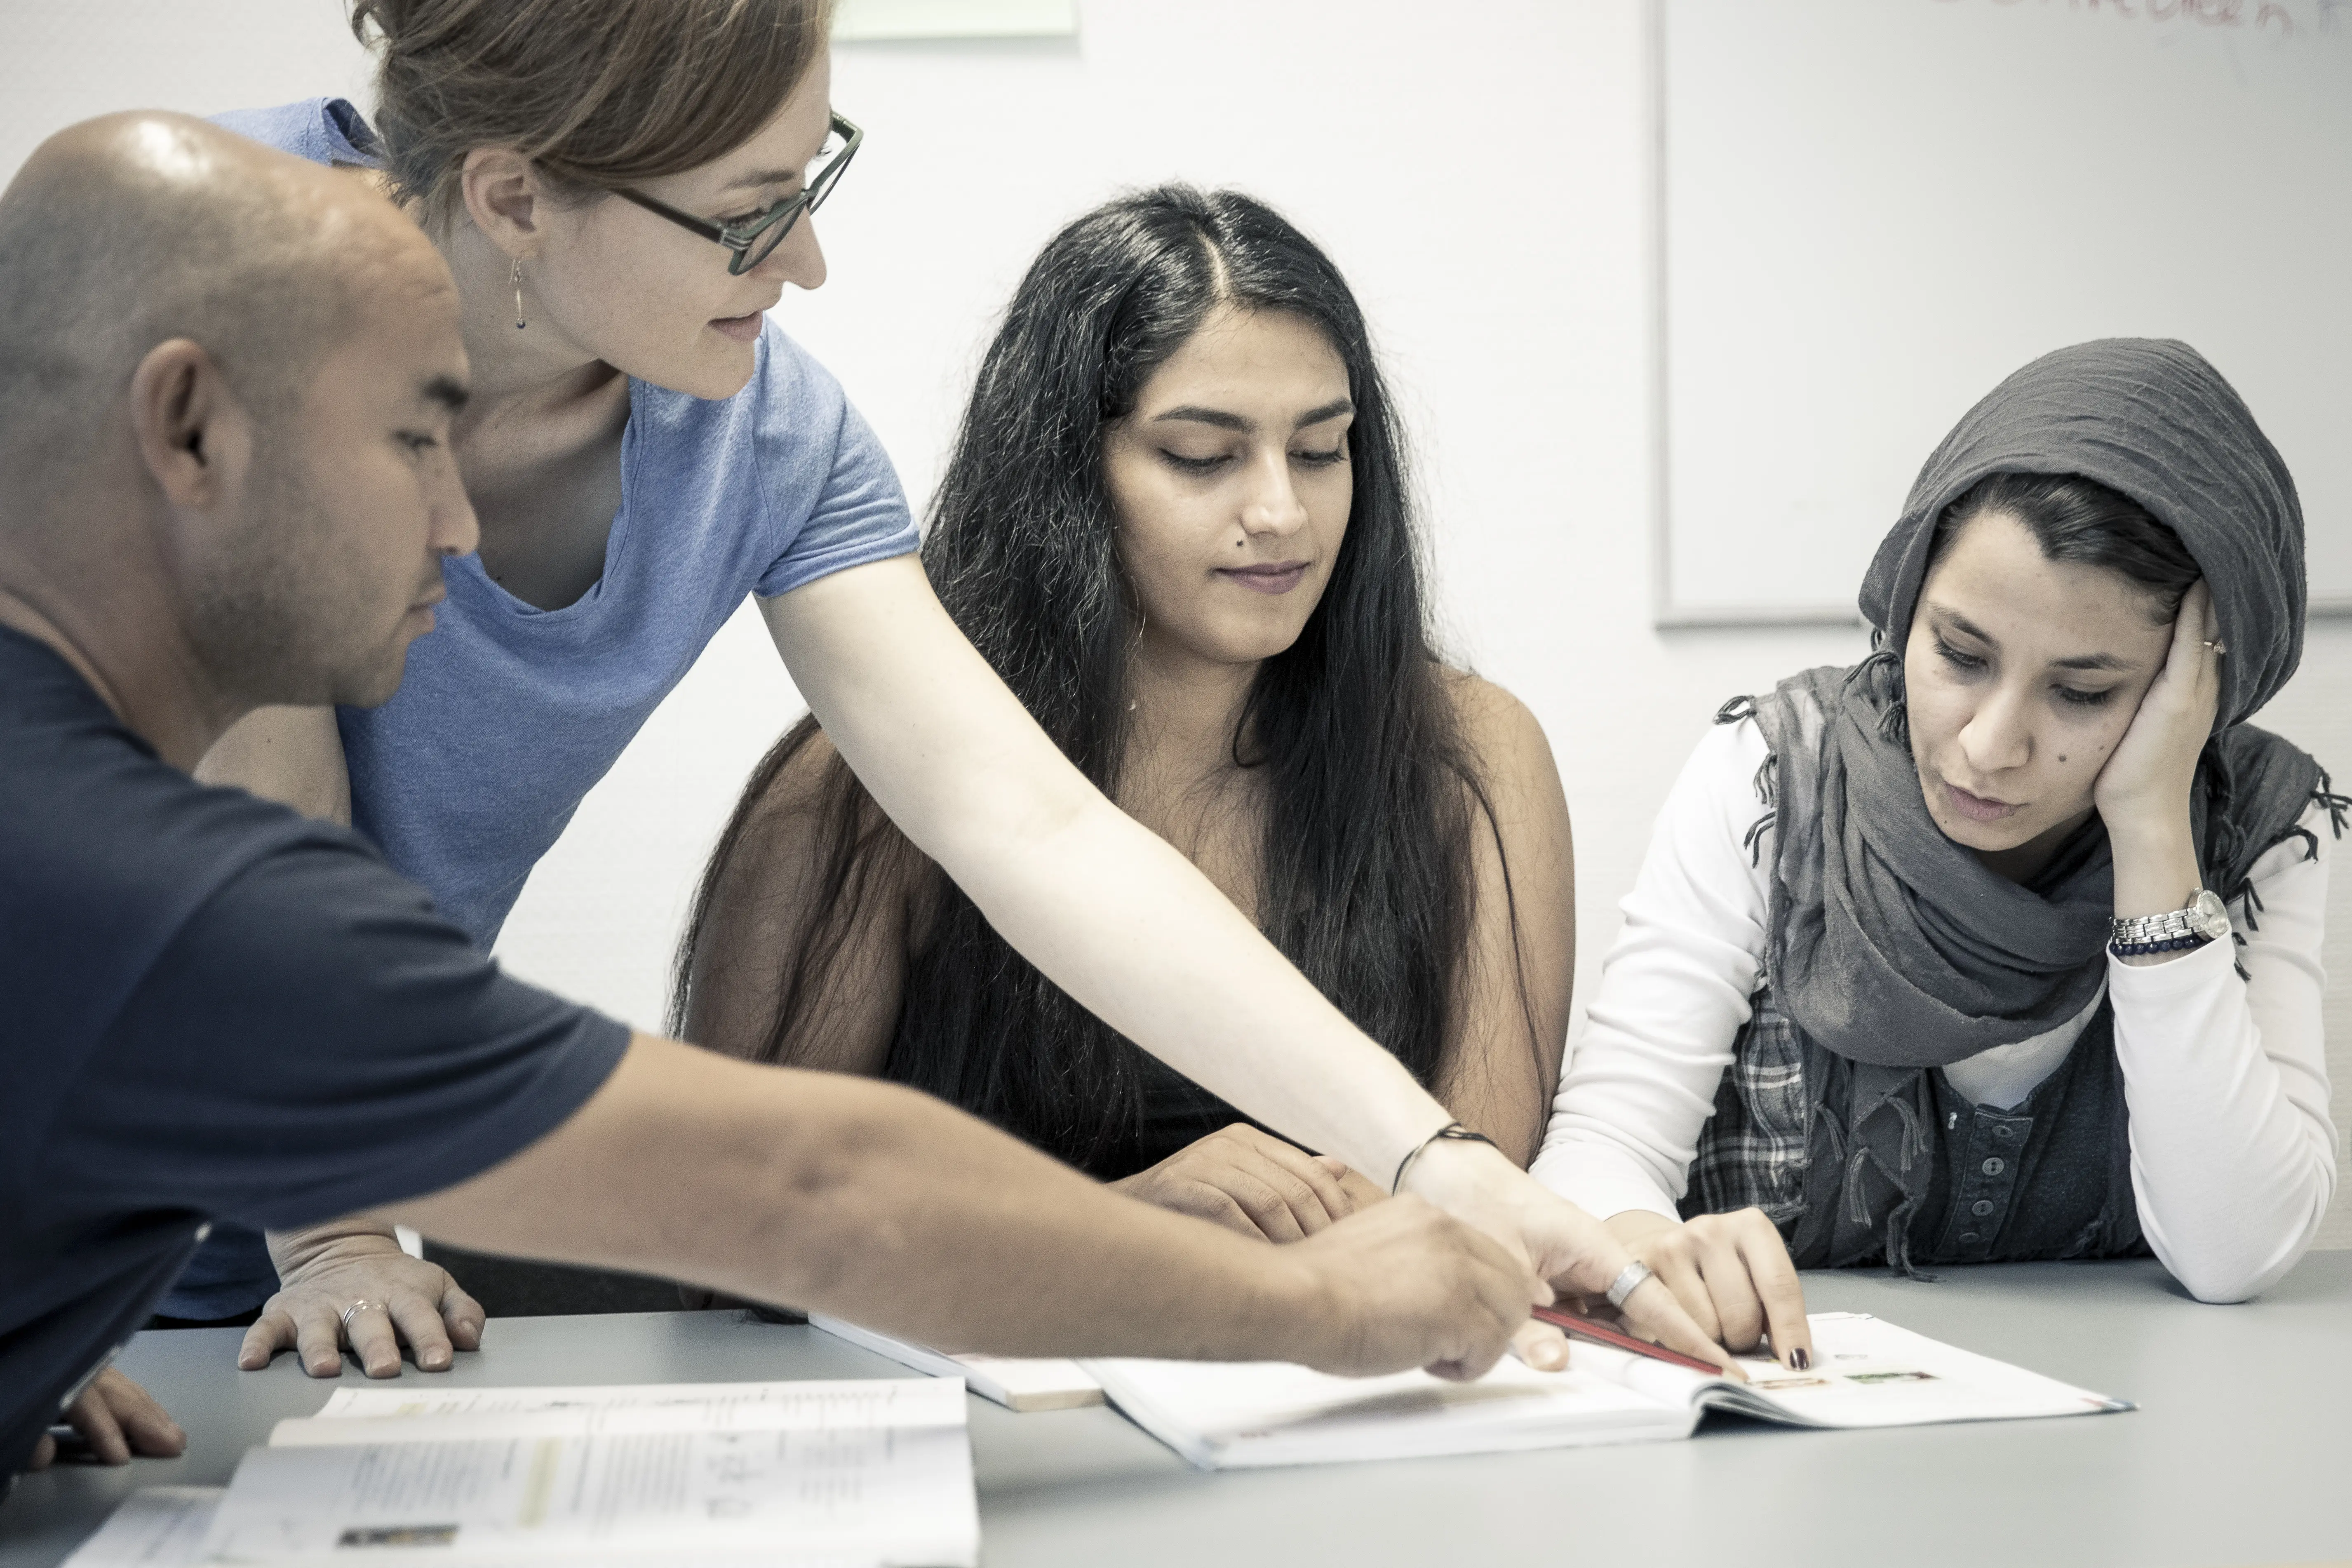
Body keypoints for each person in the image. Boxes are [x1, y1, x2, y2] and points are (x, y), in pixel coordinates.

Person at [0, 110, 1567, 1484]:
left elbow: (1030, 833)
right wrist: (1332, 1307)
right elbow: (816, 1191)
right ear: (189, 425)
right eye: (416, 436)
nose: (468, 523)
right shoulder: (161, 893)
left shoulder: (87, 835)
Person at [184, 0, 1722, 1379]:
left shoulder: (767, 435)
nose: (806, 260)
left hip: (288, 1165)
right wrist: (332, 1231)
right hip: (226, 1134)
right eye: (746, 212)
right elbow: (263, 833)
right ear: (515, 194)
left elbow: (1028, 823)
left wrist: (1429, 1161)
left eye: (813, 175)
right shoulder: (200, 261)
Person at [675, 187, 1575, 1245]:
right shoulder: (861, 789)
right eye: (1202, 456)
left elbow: (1478, 1187)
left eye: (1323, 450)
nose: (1280, 511)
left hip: (1345, 1379)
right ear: (1064, 476)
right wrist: (1103, 1229)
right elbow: (726, 1239)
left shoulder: (1467, 755)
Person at [1532, 339, 2340, 1361]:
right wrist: (1646, 1243)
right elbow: (1597, 1149)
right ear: (1904, 601)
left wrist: (2149, 831)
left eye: (2082, 692)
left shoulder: (2249, 824)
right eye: (1958, 654)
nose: (1989, 745)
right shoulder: (1780, 776)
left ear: (2195, 688)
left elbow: (2235, 1253)